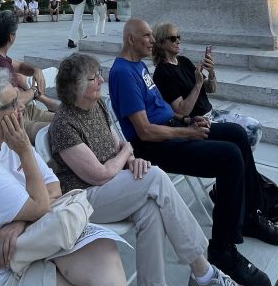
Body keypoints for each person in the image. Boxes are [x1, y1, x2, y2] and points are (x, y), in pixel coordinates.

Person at [108, 18, 278, 286]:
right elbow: (144, 131)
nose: (152, 41)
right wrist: (186, 133)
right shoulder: (123, 72)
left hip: (171, 129)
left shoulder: (138, 65)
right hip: (153, 147)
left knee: (236, 135)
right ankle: (222, 250)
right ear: (130, 39)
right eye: (147, 36)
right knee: (228, 157)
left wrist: (187, 122)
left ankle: (248, 216)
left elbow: (164, 111)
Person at [49, 54, 238, 286]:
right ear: (74, 88)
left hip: (113, 184)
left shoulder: (96, 104)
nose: (100, 80)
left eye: (99, 73)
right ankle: (204, 271)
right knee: (155, 177)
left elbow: (118, 144)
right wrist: (127, 153)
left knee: (151, 210)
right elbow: (99, 174)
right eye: (93, 78)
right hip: (86, 199)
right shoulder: (63, 124)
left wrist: (131, 159)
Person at [0, 69, 128, 286]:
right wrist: (26, 150)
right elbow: (40, 207)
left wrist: (20, 221)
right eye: (11, 104)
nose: (21, 107)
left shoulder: (6, 144)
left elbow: (54, 187)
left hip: (21, 253)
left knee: (101, 247)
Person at [151, 23, 262, 148]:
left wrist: (211, 73)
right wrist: (198, 84)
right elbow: (182, 111)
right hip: (198, 122)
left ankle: (242, 163)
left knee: (254, 127)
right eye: (172, 38)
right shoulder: (162, 73)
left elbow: (211, 88)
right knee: (245, 134)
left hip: (212, 113)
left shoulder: (184, 61)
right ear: (160, 43)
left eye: (178, 37)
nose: (178, 41)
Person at [0, 11, 58, 141]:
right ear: (11, 37)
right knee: (64, 128)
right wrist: (35, 90)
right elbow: (16, 102)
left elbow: (19, 66)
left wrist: (36, 70)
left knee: (69, 120)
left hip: (24, 112)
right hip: (12, 120)